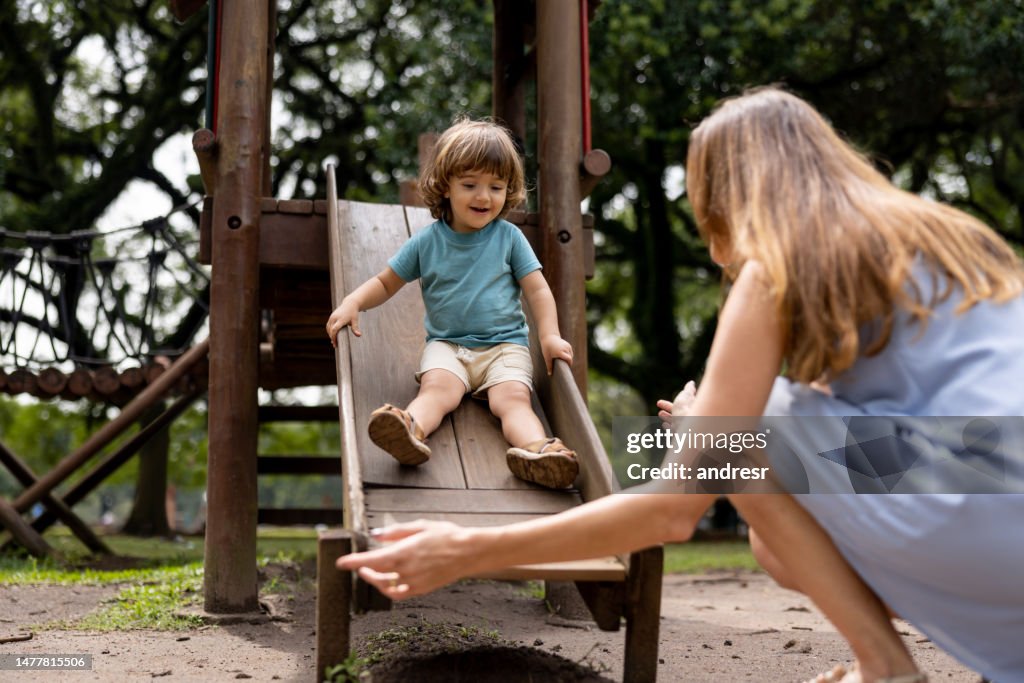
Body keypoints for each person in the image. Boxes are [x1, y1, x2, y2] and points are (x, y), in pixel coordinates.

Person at [336, 88, 1024, 683]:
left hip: (977, 518)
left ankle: (886, 664)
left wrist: (468, 550)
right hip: (997, 502)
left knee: (740, 439)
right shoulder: (950, 238)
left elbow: (672, 511)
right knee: (769, 515)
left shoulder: (777, 268)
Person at [326, 117, 579, 489]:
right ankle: (409, 430)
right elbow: (386, 281)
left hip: (504, 347)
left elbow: (538, 291)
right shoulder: (426, 242)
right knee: (437, 391)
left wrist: (550, 336)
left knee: (512, 400)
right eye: (470, 185)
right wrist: (354, 301)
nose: (483, 197)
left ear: (508, 190)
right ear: (445, 186)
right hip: (448, 346)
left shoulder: (509, 238)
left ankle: (538, 451)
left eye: (496, 187)